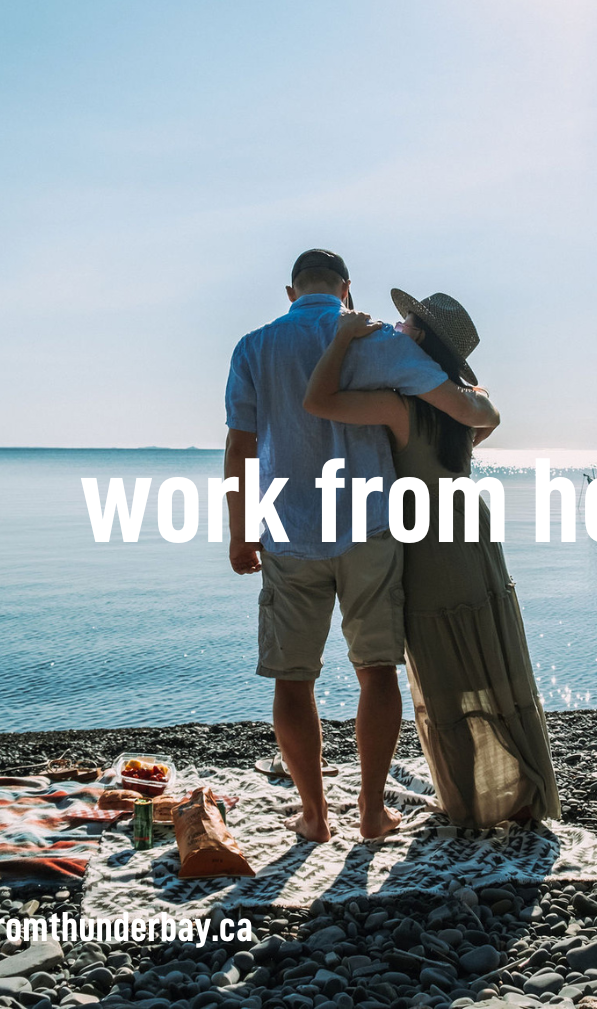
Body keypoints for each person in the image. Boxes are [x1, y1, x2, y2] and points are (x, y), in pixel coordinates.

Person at [223, 250, 500, 842]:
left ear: (289, 289)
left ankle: (315, 817)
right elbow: (462, 411)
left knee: (292, 680)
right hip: (369, 529)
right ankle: (372, 814)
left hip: (290, 531)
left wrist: (240, 530)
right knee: (377, 673)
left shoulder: (253, 346)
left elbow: (240, 446)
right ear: (347, 288)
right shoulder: (375, 340)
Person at [303, 290, 561, 828]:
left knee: (443, 667)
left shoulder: (398, 403)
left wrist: (344, 338)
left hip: (424, 539)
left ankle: (471, 799)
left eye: (405, 321)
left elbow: (320, 400)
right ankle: (518, 787)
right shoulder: (463, 405)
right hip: (469, 527)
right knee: (490, 655)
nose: (396, 325)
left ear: (419, 336)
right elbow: (488, 418)